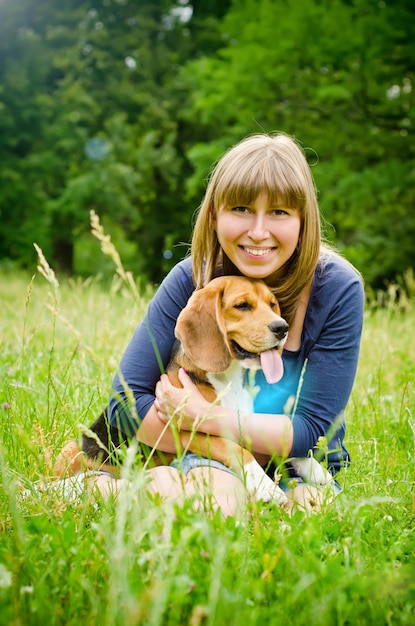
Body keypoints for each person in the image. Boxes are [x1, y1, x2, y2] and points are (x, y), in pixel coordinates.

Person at [65, 133, 365, 516]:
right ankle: (106, 488)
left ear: (304, 221)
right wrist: (210, 444)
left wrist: (204, 418)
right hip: (206, 456)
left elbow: (311, 432)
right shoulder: (192, 279)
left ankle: (108, 490)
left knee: (307, 511)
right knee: (203, 501)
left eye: (279, 212)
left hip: (299, 462)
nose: (258, 231)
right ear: (214, 216)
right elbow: (123, 405)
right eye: (241, 208)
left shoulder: (338, 287)